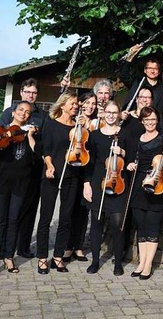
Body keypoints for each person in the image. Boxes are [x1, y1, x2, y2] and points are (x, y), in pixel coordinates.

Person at [0, 101, 37, 277]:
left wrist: (30, 136)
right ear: (13, 112)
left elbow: (36, 156)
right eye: (21, 110)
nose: (24, 114)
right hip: (1, 181)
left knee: (13, 220)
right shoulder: (0, 131)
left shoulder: (32, 131)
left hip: (21, 182)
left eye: (27, 112)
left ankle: (9, 257)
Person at [36, 92, 84, 274]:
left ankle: (58, 257)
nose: (75, 106)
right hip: (52, 174)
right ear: (62, 105)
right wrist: (49, 165)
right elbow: (46, 149)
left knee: (66, 218)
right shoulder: (51, 125)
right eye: (72, 103)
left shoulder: (77, 126)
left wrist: (81, 129)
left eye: (76, 104)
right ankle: (42, 258)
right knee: (46, 217)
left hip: (72, 174)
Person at [0, 78, 46, 259]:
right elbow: (1, 134)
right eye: (27, 92)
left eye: (34, 92)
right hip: (11, 167)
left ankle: (23, 246)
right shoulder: (9, 112)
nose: (31, 95)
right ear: (21, 93)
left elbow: (43, 141)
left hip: (33, 169)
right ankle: (4, 247)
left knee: (29, 209)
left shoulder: (43, 116)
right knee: (9, 211)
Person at [126, 107, 163, 280]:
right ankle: (141, 262)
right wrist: (130, 165)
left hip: (157, 184)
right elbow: (131, 159)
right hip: (139, 184)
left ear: (157, 120)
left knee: (152, 227)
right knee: (141, 226)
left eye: (153, 119)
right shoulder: (136, 139)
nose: (150, 122)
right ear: (142, 122)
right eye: (147, 120)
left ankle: (148, 265)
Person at [82, 100, 128, 276]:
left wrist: (122, 153)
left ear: (118, 115)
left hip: (117, 182)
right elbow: (88, 161)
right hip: (97, 181)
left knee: (117, 224)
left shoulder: (123, 135)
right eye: (108, 112)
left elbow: (132, 157)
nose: (111, 115)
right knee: (96, 222)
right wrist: (87, 184)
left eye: (114, 112)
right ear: (103, 113)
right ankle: (95, 261)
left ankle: (118, 262)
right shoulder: (94, 136)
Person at [64, 92, 97, 263]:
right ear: (81, 104)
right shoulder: (73, 120)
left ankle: (78, 246)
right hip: (74, 167)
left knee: (84, 211)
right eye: (87, 103)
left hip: (89, 169)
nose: (90, 106)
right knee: (70, 208)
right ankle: (67, 247)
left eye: (93, 103)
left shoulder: (98, 122)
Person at [120, 55, 163, 123]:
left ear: (159, 72)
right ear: (145, 70)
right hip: (135, 121)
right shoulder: (137, 82)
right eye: (150, 68)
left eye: (155, 69)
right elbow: (123, 75)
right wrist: (129, 59)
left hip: (156, 124)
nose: (152, 71)